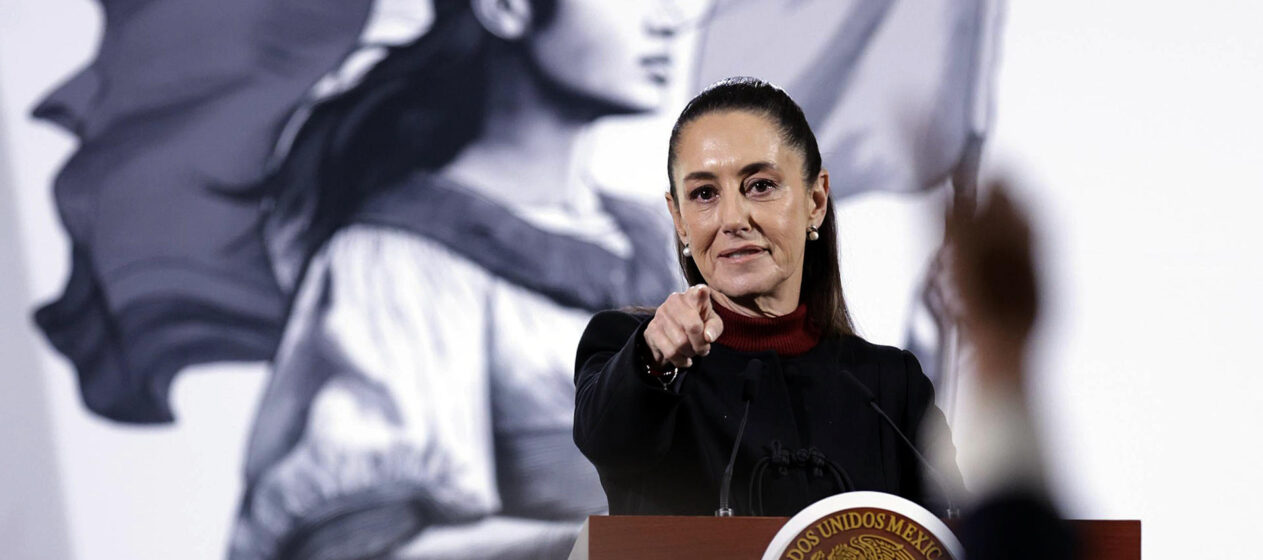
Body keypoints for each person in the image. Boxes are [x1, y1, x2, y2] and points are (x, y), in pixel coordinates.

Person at [229, 1, 711, 558]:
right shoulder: (401, 259)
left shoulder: (666, 238)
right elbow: (361, 544)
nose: (670, 19)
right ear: (507, 8)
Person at [573, 77, 964, 517]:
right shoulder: (638, 358)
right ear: (679, 219)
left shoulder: (892, 388)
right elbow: (608, 435)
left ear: (815, 200)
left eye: (759, 185)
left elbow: (954, 536)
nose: (733, 218)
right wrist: (652, 358)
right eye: (704, 194)